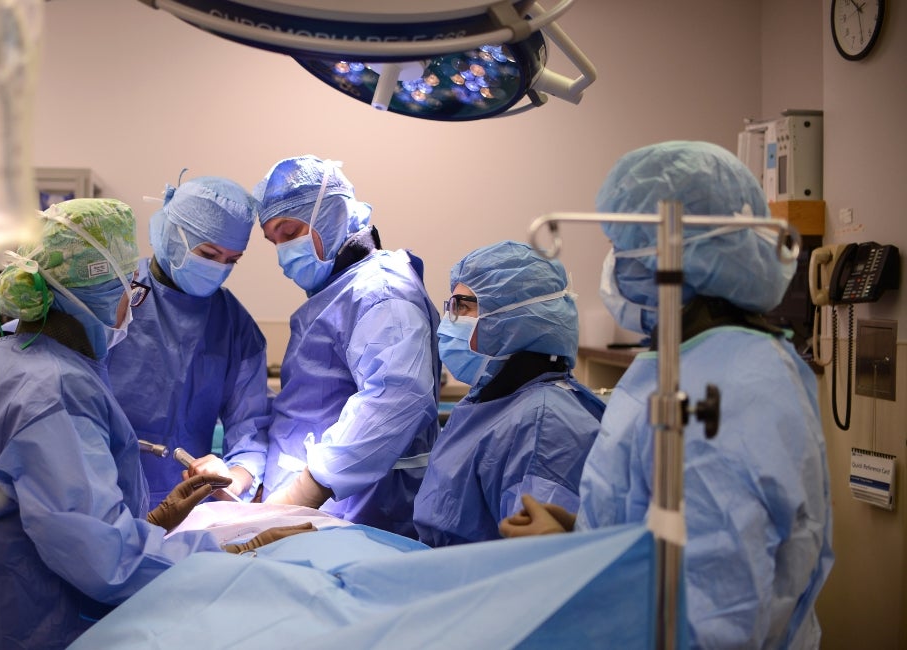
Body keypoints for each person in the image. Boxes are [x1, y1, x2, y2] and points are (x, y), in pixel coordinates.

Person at [0, 198, 310, 649]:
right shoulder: (55, 390)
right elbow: (104, 561)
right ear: (101, 291)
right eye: (131, 290)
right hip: (38, 629)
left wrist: (153, 522)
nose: (132, 304)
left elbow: (32, 514)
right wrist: (229, 554)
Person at [499, 141, 833, 649]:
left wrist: (577, 563)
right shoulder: (689, 360)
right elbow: (664, 532)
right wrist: (585, 534)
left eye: (622, 247)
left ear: (672, 257)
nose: (612, 265)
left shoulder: (723, 395)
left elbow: (709, 620)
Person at [244, 155, 440, 538]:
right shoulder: (341, 292)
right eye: (274, 241)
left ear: (331, 215)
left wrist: (305, 491)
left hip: (356, 516)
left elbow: (396, 397)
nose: (283, 250)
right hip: (318, 517)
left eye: (290, 231)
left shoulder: (380, 292)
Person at [413, 241, 605, 547]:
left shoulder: (544, 426)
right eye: (451, 306)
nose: (449, 321)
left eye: (463, 306)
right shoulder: (492, 400)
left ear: (512, 322)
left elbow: (532, 560)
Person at [107, 175, 271, 505]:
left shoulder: (232, 323)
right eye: (209, 254)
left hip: (186, 506)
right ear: (171, 234)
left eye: (231, 261)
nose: (219, 268)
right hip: (101, 496)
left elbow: (251, 426)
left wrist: (234, 478)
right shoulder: (112, 296)